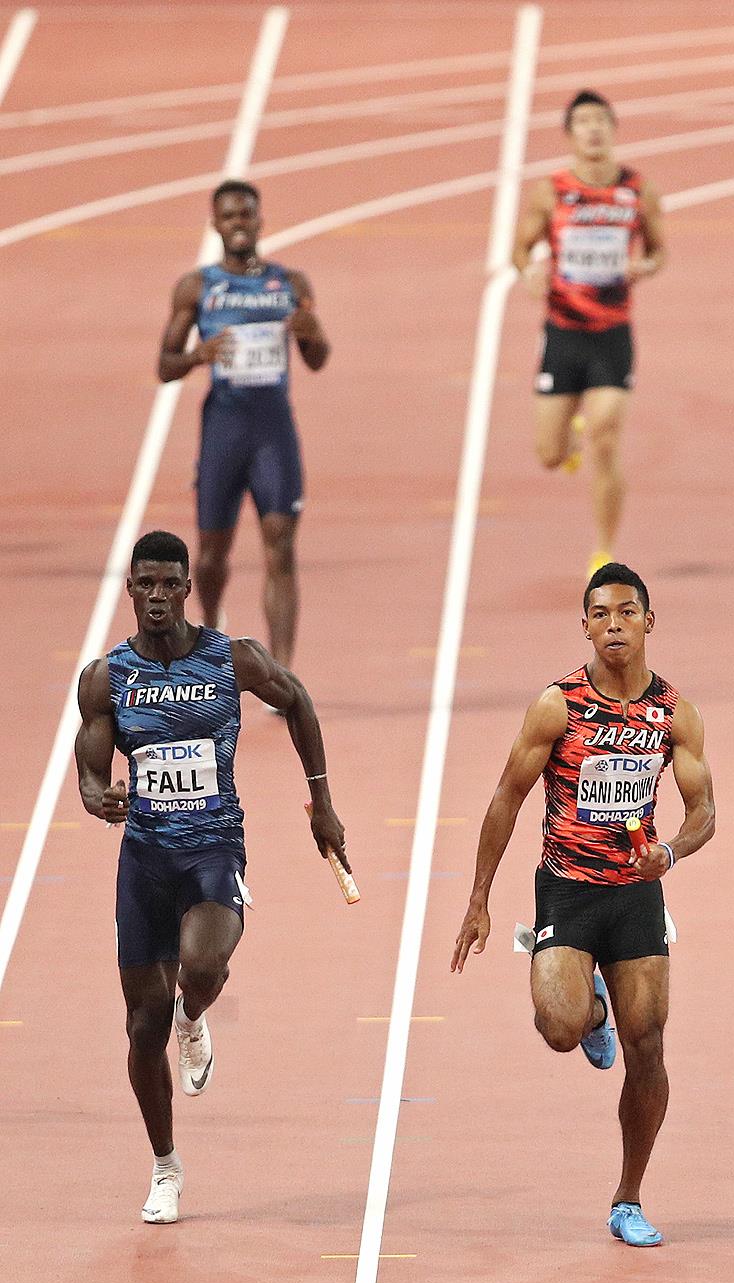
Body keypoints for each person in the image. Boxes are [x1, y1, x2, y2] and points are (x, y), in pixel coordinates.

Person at [73, 529, 350, 1223]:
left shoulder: (233, 658)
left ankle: (192, 1015)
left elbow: (299, 702)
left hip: (213, 849)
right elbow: (89, 766)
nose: (158, 596)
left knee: (201, 965)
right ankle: (166, 1166)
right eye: (146, 584)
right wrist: (96, 794)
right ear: (130, 589)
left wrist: (322, 800)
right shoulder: (107, 677)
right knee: (140, 1029)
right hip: (144, 859)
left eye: (171, 583)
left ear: (188, 587)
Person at [450, 562, 714, 1244]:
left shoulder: (673, 713)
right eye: (601, 613)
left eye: (627, 611)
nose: (614, 623)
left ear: (649, 621)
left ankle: (628, 1197)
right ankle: (590, 1006)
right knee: (560, 1026)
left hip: (635, 893)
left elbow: (705, 808)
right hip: (567, 887)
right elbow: (507, 795)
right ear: (587, 625)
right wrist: (478, 899)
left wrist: (673, 851)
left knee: (649, 1046)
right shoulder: (558, 705)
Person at [157, 179, 330, 667]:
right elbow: (164, 365)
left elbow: (316, 359)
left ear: (259, 219)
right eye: (229, 216)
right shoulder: (198, 287)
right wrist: (197, 356)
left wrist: (313, 334)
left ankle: (283, 669)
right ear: (215, 224)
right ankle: (212, 636)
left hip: (274, 433)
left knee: (281, 548)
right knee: (210, 557)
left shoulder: (290, 285)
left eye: (246, 215)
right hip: (223, 434)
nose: (238, 224)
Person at [513, 91, 666, 574]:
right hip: (562, 334)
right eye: (582, 122)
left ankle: (603, 548)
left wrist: (646, 265)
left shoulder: (638, 190)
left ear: (613, 128)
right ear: (570, 134)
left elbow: (660, 250)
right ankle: (568, 440)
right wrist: (529, 271)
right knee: (549, 455)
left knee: (606, 436)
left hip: (612, 335)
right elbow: (520, 249)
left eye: (601, 119)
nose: (593, 129)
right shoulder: (550, 191)